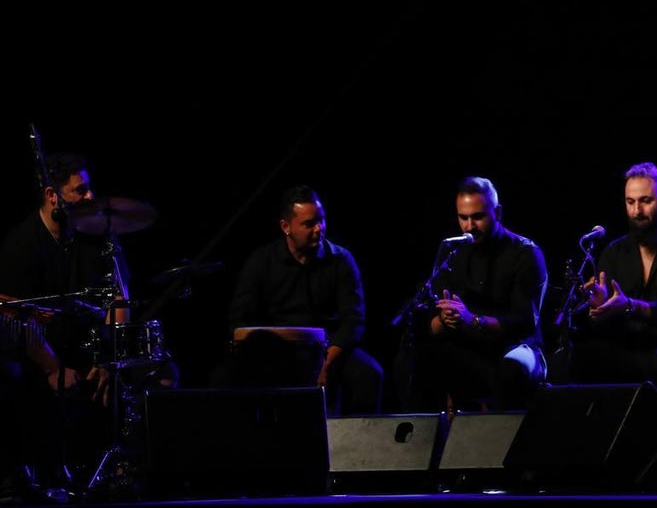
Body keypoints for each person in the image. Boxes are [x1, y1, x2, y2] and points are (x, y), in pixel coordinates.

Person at [0, 152, 176, 501]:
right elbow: (14, 313)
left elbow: (118, 300)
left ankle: (137, 472)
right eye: (79, 190)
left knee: (164, 372)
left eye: (89, 188)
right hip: (41, 354)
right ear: (52, 196)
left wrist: (109, 357)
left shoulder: (97, 236)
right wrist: (52, 368)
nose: (90, 197)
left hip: (90, 349)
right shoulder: (21, 243)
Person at [213, 184, 383, 416]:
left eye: (321, 220)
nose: (319, 229)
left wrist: (326, 363)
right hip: (274, 350)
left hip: (327, 349)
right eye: (309, 223)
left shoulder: (341, 260)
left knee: (369, 374)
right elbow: (239, 319)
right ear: (286, 226)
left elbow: (354, 321)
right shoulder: (262, 261)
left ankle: (357, 439)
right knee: (223, 376)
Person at [567, 161, 657, 417]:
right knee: (575, 357)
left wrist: (630, 306)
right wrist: (598, 306)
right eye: (630, 202)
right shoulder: (615, 251)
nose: (637, 211)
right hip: (631, 342)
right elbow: (604, 316)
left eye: (646, 201)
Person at [393, 176, 548, 413]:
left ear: (498, 213)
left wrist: (473, 320)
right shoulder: (453, 252)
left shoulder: (526, 253)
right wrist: (444, 319)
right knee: (412, 358)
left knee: (511, 369)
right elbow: (432, 321)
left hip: (515, 346)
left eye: (477, 217)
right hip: (469, 347)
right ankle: (422, 433)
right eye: (463, 218)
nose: (469, 226)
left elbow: (523, 322)